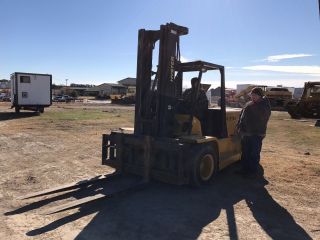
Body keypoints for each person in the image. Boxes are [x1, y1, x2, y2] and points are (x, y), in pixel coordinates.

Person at [236, 87, 271, 178]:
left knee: (254, 153)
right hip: (246, 133)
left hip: (256, 133)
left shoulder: (264, 105)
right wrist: (239, 126)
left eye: (254, 95)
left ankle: (253, 172)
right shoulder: (250, 104)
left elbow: (262, 116)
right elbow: (242, 116)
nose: (252, 97)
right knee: (245, 152)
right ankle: (244, 169)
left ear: (260, 96)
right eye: (252, 95)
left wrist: (251, 105)